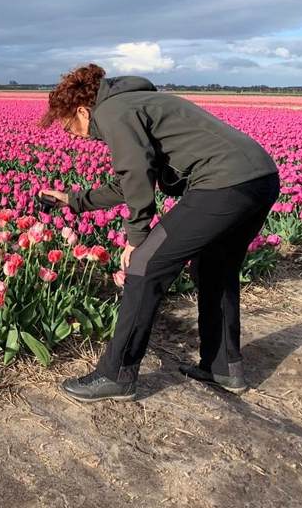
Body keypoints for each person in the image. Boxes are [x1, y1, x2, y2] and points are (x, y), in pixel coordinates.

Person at [37, 63, 279, 402]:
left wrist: (137, 240)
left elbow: (135, 175)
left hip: (222, 183)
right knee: (215, 269)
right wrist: (74, 200)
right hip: (259, 177)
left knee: (145, 266)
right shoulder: (134, 102)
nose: (73, 135)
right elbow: (131, 180)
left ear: (82, 110)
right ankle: (224, 366)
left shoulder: (112, 111)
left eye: (69, 126)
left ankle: (116, 373)